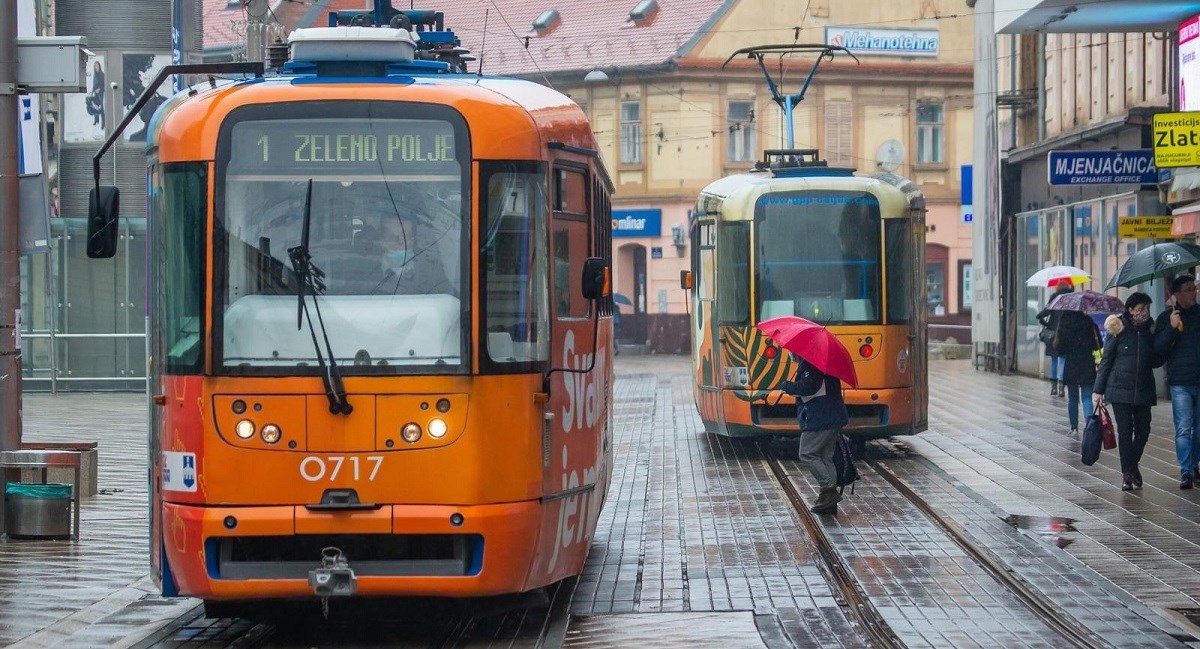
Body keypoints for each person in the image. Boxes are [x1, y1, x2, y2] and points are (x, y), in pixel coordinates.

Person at [1094, 292, 1164, 491]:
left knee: (1143, 431)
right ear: (1130, 310)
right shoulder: (1118, 328)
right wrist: (1098, 390)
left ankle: (1132, 466)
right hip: (1119, 389)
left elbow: (1157, 360)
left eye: (1147, 309)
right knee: (1125, 432)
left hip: (1143, 388)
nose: (1144, 313)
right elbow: (1106, 360)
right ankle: (1127, 474)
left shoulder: (1151, 329)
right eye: (1141, 309)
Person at [780, 356, 849, 515]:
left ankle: (828, 490)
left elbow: (809, 387)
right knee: (825, 457)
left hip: (819, 418)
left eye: (792, 350)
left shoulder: (813, 363)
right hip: (831, 416)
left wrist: (788, 386)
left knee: (807, 453)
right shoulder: (820, 361)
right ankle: (829, 503)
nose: (791, 353)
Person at [1153, 275, 1200, 489]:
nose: (1193, 293)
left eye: (1194, 289)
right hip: (1180, 381)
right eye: (1188, 289)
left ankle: (1194, 464)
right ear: (1177, 294)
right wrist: (1172, 328)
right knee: (1183, 428)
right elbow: (1158, 352)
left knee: (1198, 430)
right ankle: (1186, 471)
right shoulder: (1167, 318)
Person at [1055, 310, 1101, 435]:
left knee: (1073, 398)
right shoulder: (1089, 322)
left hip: (1072, 365)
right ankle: (1088, 427)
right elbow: (1098, 344)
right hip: (1087, 363)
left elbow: (1059, 349)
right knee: (1087, 397)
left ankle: (1074, 428)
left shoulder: (1064, 324)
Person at [1037, 281, 1074, 396]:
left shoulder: (1054, 299)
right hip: (1065, 333)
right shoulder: (1070, 299)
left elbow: (1040, 315)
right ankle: (1062, 388)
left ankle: (1053, 388)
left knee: (1054, 360)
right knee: (1062, 360)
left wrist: (1046, 324)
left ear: (1057, 288)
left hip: (1052, 334)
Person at [84, 61, 105, 128]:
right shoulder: (95, 75)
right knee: (94, 104)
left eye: (97, 65)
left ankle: (103, 123)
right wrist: (92, 91)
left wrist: (99, 89)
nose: (96, 67)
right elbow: (94, 85)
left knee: (101, 108)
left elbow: (103, 84)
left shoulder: (102, 74)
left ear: (99, 66)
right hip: (95, 93)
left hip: (101, 93)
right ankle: (96, 120)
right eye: (95, 66)